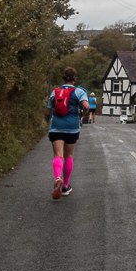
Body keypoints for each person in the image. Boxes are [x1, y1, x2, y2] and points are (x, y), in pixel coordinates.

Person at [46, 67, 88, 199]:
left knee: (58, 154)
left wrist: (48, 121)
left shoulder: (55, 92)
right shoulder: (79, 92)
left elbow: (48, 111)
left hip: (56, 126)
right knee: (68, 154)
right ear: (75, 78)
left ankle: (58, 177)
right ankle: (65, 186)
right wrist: (82, 114)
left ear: (63, 77)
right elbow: (86, 106)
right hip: (72, 127)